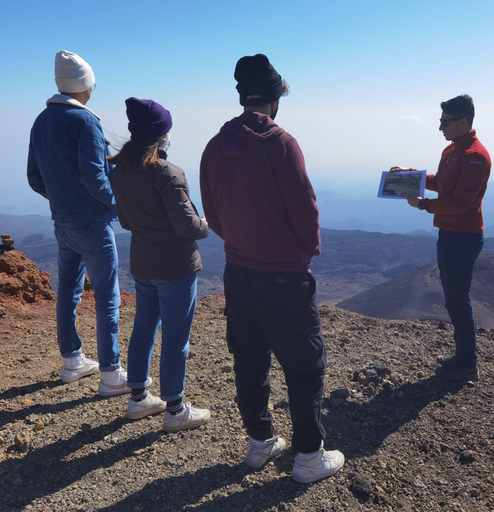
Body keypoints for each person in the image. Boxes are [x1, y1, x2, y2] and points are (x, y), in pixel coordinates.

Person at [199, 54, 344, 483]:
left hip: (238, 271)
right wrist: (305, 250)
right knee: (305, 365)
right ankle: (308, 457)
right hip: (284, 274)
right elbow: (305, 208)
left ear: (244, 96)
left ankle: (260, 442)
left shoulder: (214, 145)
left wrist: (240, 243)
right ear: (277, 97)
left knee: (249, 359)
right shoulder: (281, 144)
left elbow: (213, 211)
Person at [27, 50, 128, 397]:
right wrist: (119, 206)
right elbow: (95, 177)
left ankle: (73, 362)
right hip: (92, 222)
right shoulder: (85, 121)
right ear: (84, 85)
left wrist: (61, 201)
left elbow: (35, 177)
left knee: (68, 292)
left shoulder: (42, 120)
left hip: (62, 221)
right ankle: (112, 374)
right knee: (106, 296)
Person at [109, 98, 211, 432]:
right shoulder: (168, 173)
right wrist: (206, 223)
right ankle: (175, 409)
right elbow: (187, 226)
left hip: (142, 262)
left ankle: (138, 397)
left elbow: (124, 220)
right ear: (161, 135)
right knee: (176, 337)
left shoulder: (120, 170)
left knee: (144, 327)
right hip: (176, 265)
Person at [390, 94, 491, 381]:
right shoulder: (453, 150)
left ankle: (467, 364)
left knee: (458, 299)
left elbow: (460, 204)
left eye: (445, 122)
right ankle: (461, 357)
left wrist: (422, 204)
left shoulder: (475, 157)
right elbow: (441, 183)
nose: (440, 128)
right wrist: (408, 176)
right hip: (449, 233)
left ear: (462, 122)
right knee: (453, 298)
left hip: (463, 237)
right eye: (440, 121)